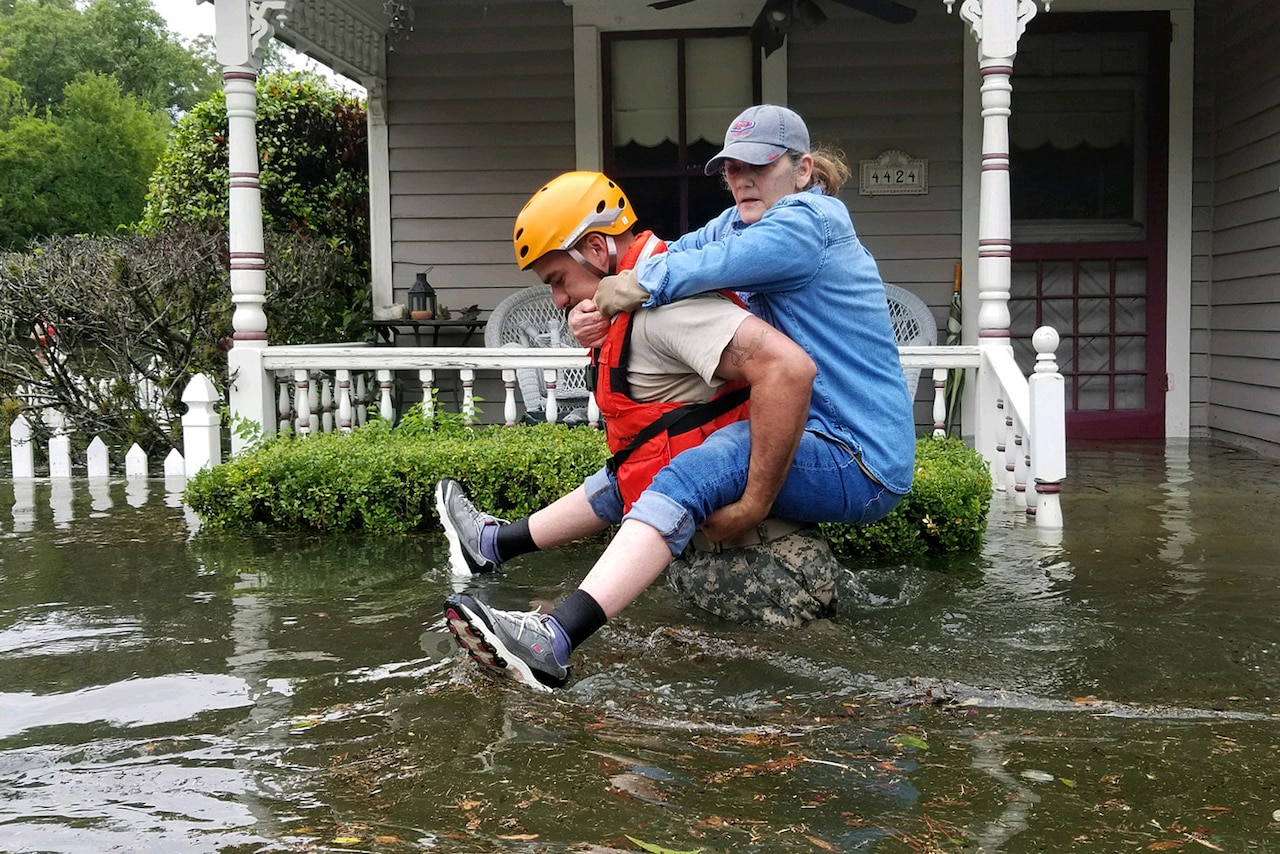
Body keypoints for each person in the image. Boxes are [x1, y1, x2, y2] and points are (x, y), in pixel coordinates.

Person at [444, 104, 917, 691]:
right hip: (818, 434)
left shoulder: (808, 221)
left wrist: (752, 505)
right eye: (731, 168)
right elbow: (675, 252)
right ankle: (493, 545)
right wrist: (599, 304)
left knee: (692, 470)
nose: (742, 179)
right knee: (658, 455)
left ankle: (555, 638)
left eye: (760, 165)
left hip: (859, 454)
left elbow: (705, 271)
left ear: (803, 170)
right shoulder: (742, 222)